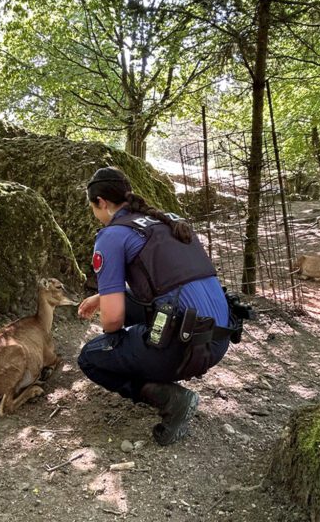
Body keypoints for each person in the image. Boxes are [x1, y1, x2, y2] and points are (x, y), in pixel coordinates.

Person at [77, 166, 232, 446]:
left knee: (91, 356)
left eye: (93, 207)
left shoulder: (111, 236)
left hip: (186, 350)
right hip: (218, 339)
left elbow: (112, 322)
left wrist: (112, 319)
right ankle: (149, 355)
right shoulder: (167, 221)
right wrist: (103, 297)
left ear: (101, 202)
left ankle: (174, 400)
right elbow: (170, 280)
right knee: (135, 315)